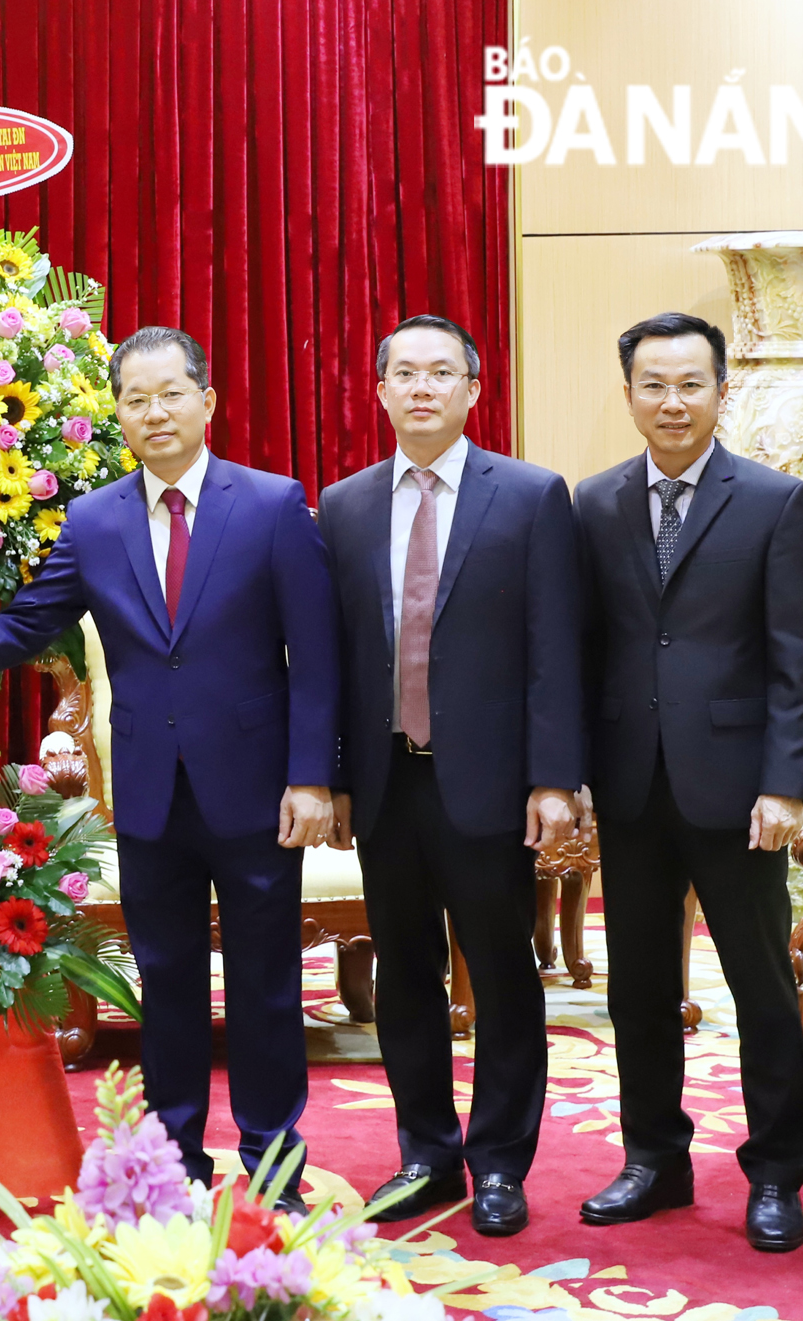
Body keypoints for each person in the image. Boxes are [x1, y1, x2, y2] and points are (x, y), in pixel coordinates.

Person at [0, 325, 339, 1200]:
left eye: (171, 394)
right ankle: (171, 1162)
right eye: (136, 398)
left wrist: (313, 777)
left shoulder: (273, 505)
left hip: (255, 791)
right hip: (149, 793)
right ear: (118, 414)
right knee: (164, 983)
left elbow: (315, 656)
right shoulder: (95, 520)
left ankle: (273, 1161)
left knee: (266, 986)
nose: (155, 412)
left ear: (207, 401)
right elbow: (23, 625)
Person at [317, 315, 583, 1237]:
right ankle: (426, 1149)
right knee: (404, 975)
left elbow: (556, 647)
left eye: (442, 372)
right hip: (390, 783)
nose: (422, 387)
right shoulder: (344, 504)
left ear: (475, 387)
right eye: (404, 373)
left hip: (492, 783)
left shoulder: (531, 494)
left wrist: (554, 777)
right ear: (380, 390)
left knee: (506, 973)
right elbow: (336, 658)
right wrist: (337, 775)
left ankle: (500, 1159)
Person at [572, 311, 803, 1251]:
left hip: (738, 791)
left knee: (758, 986)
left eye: (691, 384)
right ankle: (654, 1159)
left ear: (724, 391)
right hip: (631, 786)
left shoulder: (772, 499)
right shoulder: (592, 504)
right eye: (654, 384)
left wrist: (786, 783)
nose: (671, 402)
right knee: (637, 987)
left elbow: (797, 659)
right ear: (629, 391)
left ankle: (775, 1171)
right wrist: (576, 775)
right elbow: (583, 650)